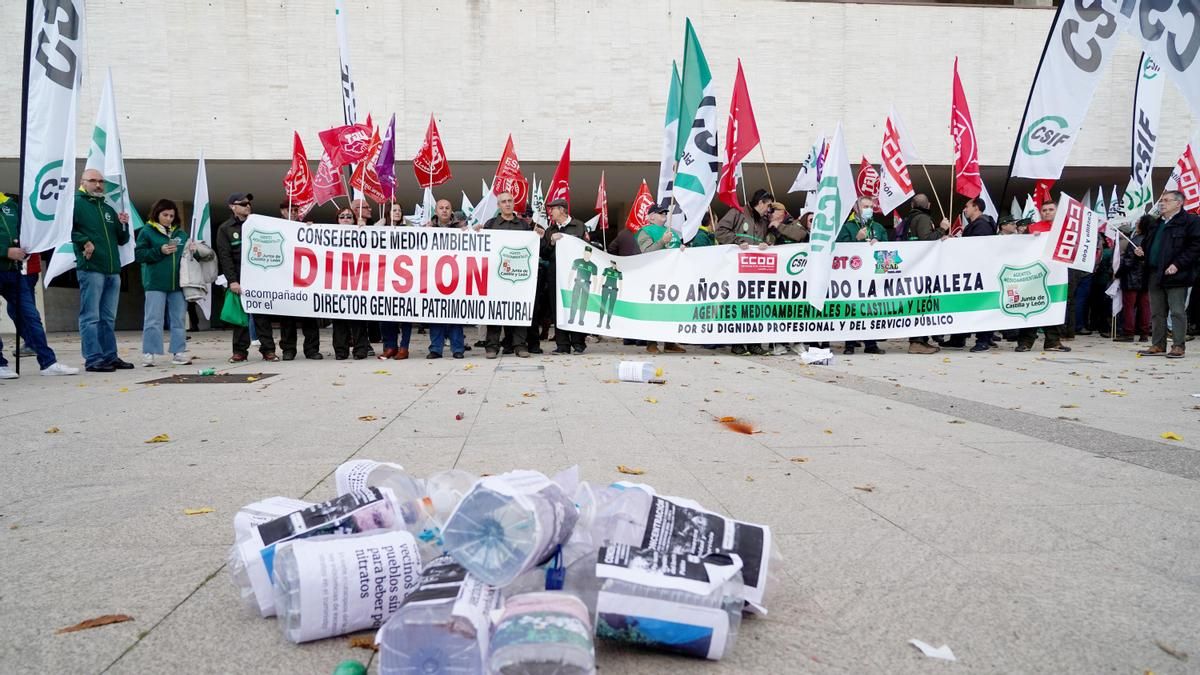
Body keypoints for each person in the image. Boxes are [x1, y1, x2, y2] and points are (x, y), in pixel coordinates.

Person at [0, 192, 78, 378]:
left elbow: (28, 232)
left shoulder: (10, 205)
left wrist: (28, 248)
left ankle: (48, 363)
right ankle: (0, 364)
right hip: (6, 264)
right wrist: (4, 251)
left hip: (14, 272)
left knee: (31, 317)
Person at [73, 168, 134, 372]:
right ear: (82, 182)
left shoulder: (107, 208)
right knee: (91, 317)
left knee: (108, 318)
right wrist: (84, 241)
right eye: (93, 181)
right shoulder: (75, 204)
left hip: (112, 269)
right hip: (91, 268)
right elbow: (65, 230)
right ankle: (93, 358)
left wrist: (124, 224)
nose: (98, 185)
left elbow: (122, 239)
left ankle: (110, 356)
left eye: (101, 181)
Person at [215, 192, 279, 362]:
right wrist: (232, 281)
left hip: (259, 277)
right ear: (232, 207)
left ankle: (268, 350)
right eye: (243, 204)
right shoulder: (225, 229)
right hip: (239, 278)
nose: (247, 206)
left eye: (249, 203)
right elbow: (225, 257)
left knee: (262, 316)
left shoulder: (258, 224)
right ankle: (240, 351)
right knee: (240, 317)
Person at [1138, 190, 1200, 358]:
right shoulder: (1157, 224)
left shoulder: (1190, 222)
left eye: (1166, 200)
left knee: (1177, 311)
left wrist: (1177, 264)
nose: (1162, 204)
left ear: (1179, 203)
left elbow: (1195, 247)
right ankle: (1158, 344)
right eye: (1161, 200)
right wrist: (1142, 252)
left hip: (1177, 274)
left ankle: (1178, 346)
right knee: (1157, 312)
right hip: (1154, 272)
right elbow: (1149, 244)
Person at [135, 199, 193, 366]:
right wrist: (159, 251)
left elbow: (188, 258)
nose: (168, 218)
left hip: (178, 284)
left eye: (171, 216)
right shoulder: (147, 231)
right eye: (165, 215)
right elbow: (139, 255)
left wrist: (193, 250)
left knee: (179, 319)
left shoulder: (181, 234)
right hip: (155, 283)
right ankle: (149, 353)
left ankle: (179, 352)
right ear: (157, 214)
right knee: (153, 319)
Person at [482, 192, 539, 358]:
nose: (507, 204)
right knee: (495, 310)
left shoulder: (523, 225)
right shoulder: (491, 224)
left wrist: (539, 237)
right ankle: (492, 347)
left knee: (519, 310)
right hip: (495, 276)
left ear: (514, 204)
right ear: (498, 205)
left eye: (510, 201)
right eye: (503, 202)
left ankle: (519, 345)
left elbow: (532, 248)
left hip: (519, 277)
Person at [1014, 200, 1070, 353]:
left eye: (1051, 209)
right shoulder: (1033, 228)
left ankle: (1053, 342)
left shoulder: (1065, 228)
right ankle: (1025, 342)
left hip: (1057, 275)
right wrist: (1030, 239)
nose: (1047, 212)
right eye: (1044, 210)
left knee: (1055, 307)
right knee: (1031, 306)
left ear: (1057, 211)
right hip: (1035, 275)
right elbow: (1020, 248)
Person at [837, 196, 888, 355]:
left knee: (871, 309)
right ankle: (850, 344)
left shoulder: (878, 227)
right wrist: (856, 239)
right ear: (856, 208)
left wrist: (879, 245)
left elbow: (889, 249)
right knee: (852, 310)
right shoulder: (847, 227)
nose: (869, 210)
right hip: (852, 276)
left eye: (871, 207)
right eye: (865, 206)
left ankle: (871, 344)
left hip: (872, 276)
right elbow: (839, 250)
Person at [635, 206, 686, 354]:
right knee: (654, 310)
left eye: (665, 213)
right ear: (651, 217)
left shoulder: (673, 232)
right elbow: (646, 252)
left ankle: (670, 342)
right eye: (660, 213)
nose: (664, 214)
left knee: (671, 310)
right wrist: (662, 241)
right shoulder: (645, 231)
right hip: (654, 277)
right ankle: (651, 343)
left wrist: (682, 249)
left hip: (672, 276)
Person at [276, 200, 322, 360]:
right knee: (287, 318)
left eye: (296, 210)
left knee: (309, 316)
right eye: (291, 209)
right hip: (285, 277)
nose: (294, 213)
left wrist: (312, 230)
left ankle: (312, 349)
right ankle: (288, 349)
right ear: (282, 211)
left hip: (305, 277)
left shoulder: (305, 227)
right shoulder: (275, 227)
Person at [544, 198, 589, 354]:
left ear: (562, 210)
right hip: (555, 275)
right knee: (557, 308)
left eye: (553, 209)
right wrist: (551, 242)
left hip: (575, 275)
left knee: (575, 305)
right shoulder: (550, 230)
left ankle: (578, 343)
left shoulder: (579, 226)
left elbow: (588, 249)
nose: (550, 212)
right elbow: (543, 253)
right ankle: (562, 344)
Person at [330, 204, 372, 359]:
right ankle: (341, 351)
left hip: (357, 280)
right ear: (337, 220)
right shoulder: (329, 234)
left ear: (354, 219)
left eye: (349, 216)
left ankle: (360, 349)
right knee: (339, 318)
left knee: (358, 317)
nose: (346, 219)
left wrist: (364, 229)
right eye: (342, 216)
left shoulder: (362, 233)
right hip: (337, 281)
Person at [426, 199, 466, 359]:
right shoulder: (428, 228)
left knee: (455, 313)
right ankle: (436, 349)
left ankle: (458, 348)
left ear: (451, 211)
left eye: (447, 208)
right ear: (436, 211)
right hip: (434, 278)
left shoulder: (460, 228)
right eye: (441, 208)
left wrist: (470, 232)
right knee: (435, 314)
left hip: (455, 277)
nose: (444, 210)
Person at [1115, 215, 1152, 342]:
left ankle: (1128, 333)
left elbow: (1128, 262)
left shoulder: (1135, 241)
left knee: (1129, 307)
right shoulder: (1152, 241)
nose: (1136, 224)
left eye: (1138, 222)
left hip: (1131, 278)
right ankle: (1144, 333)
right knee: (1145, 307)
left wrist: (1118, 274)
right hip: (1146, 278)